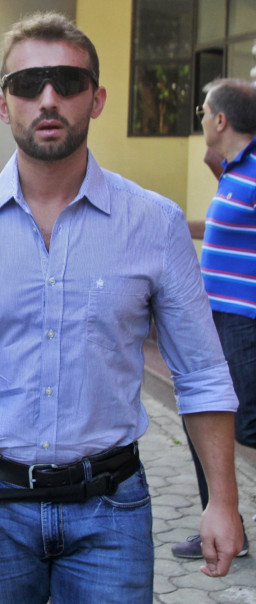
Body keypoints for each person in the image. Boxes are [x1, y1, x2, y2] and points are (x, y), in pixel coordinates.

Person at [0, 12, 244, 603]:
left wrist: (223, 504)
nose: (47, 99)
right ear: (3, 105)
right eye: (28, 85)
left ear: (97, 98)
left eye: (67, 83)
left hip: (111, 511)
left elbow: (203, 375)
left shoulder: (153, 225)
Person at [172, 78, 256, 560]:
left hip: (244, 321)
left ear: (220, 120)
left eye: (204, 112)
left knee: (247, 427)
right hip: (217, 319)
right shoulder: (234, 170)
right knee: (201, 415)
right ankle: (224, 526)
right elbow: (229, 228)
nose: (201, 119)